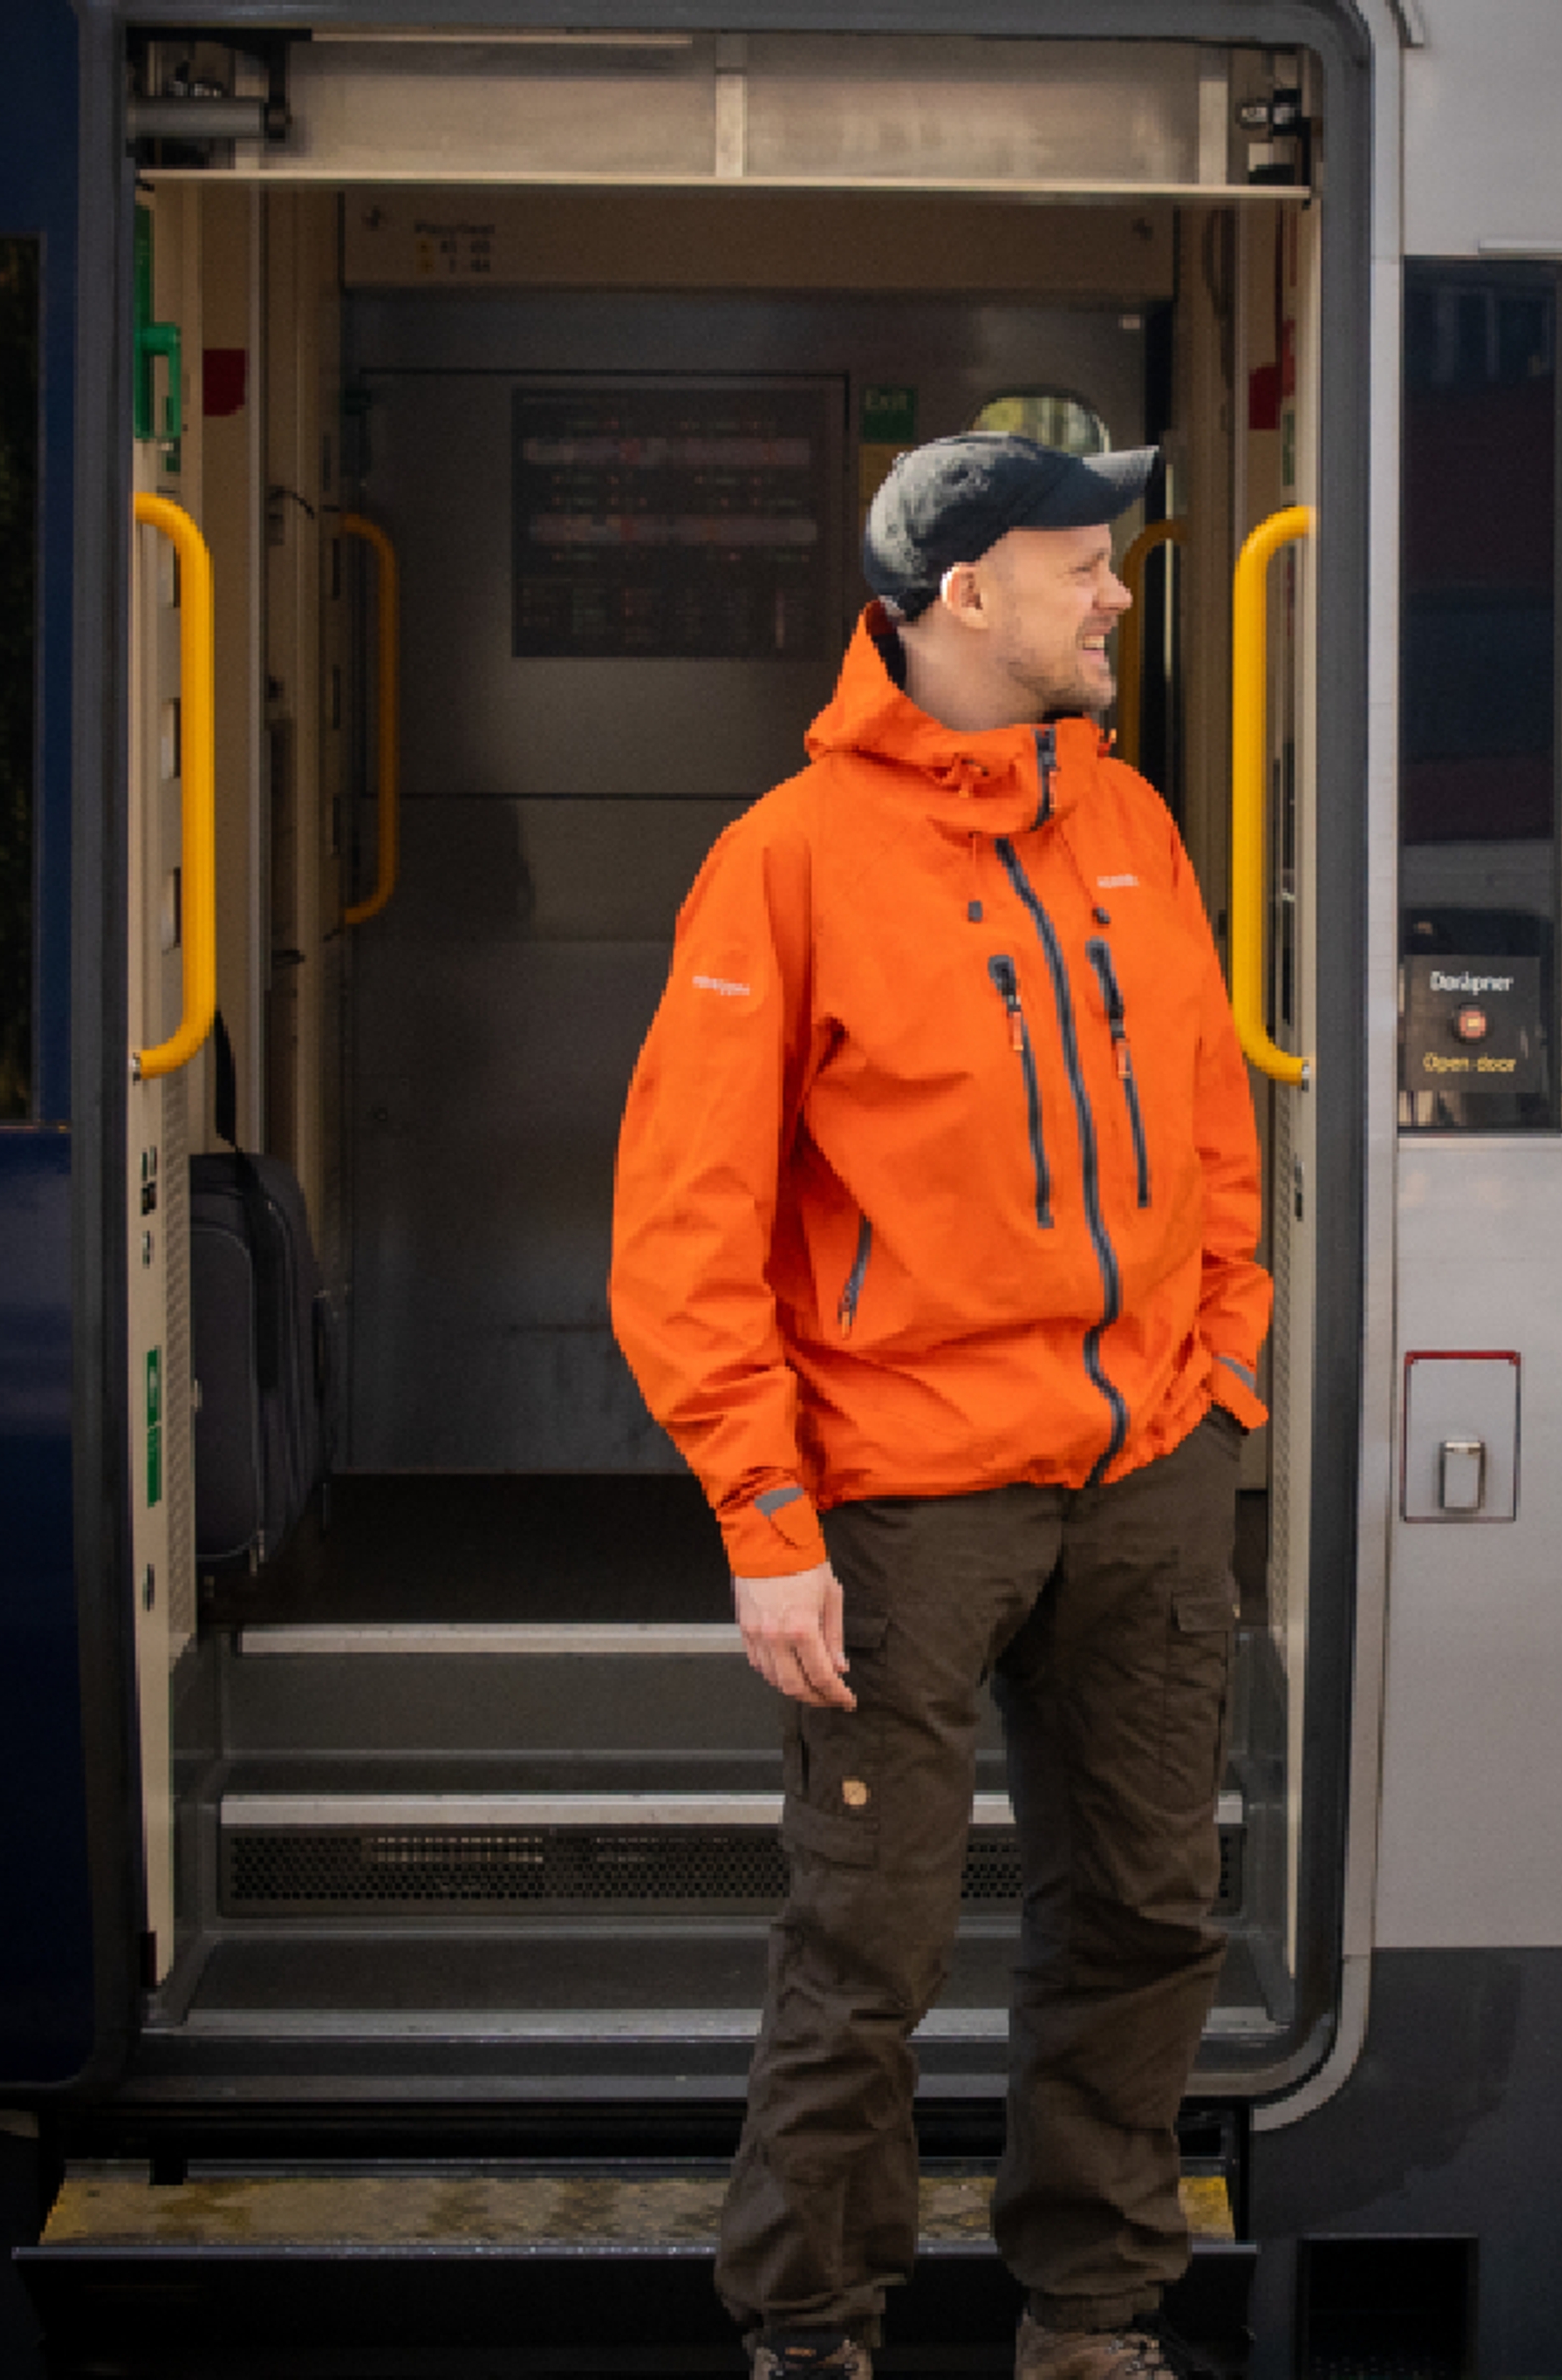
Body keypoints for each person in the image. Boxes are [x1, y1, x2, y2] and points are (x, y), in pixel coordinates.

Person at [609, 431, 1273, 2380]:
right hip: (901, 1499)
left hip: (1147, 1472)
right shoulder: (786, 861)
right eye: (1089, 566)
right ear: (965, 592)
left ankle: (1093, 2315)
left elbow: (1216, 1138)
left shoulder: (1136, 825)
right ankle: (811, 2334)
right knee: (867, 1954)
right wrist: (764, 1519)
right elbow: (685, 1227)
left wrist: (1220, 1372)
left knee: (1148, 1916)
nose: (1120, 597)